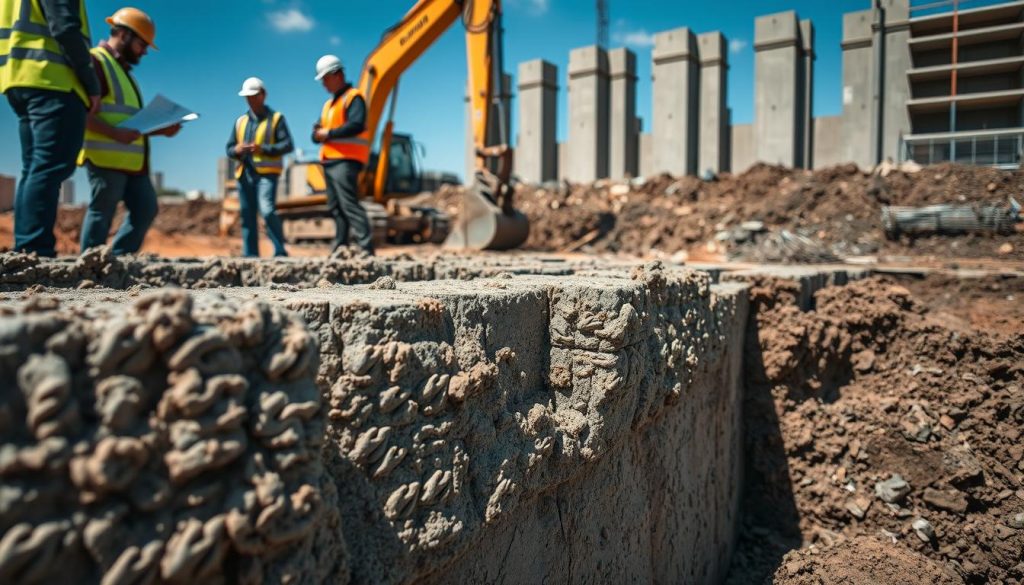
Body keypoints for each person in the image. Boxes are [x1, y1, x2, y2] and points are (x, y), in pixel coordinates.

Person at [1, 0, 101, 257]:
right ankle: (34, 247)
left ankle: (26, 248)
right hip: (51, 79)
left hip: (18, 78)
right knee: (48, 166)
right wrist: (90, 83)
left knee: (34, 167)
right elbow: (65, 27)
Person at [78, 7, 180, 255]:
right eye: (142, 44)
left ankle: (118, 258)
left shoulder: (125, 74)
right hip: (106, 157)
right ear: (124, 34)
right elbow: (79, 115)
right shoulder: (96, 62)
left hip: (133, 162)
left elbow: (129, 123)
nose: (144, 51)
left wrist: (159, 130)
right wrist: (114, 134)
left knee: (146, 207)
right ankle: (91, 266)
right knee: (102, 211)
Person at [312, 54, 374, 255]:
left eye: (325, 79)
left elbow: (356, 124)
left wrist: (327, 133)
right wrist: (318, 134)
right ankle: (340, 246)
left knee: (349, 205)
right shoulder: (329, 105)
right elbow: (318, 134)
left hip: (346, 160)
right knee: (336, 207)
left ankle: (366, 247)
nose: (323, 84)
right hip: (330, 160)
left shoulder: (353, 98)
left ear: (337, 74)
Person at [225, 77, 293, 257]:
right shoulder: (240, 122)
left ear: (263, 95)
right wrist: (237, 149)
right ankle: (251, 256)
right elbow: (229, 148)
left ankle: (280, 251)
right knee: (247, 216)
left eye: (254, 96)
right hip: (244, 174)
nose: (250, 100)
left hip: (266, 175)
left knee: (267, 210)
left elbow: (287, 145)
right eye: (247, 97)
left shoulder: (276, 119)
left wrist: (263, 149)